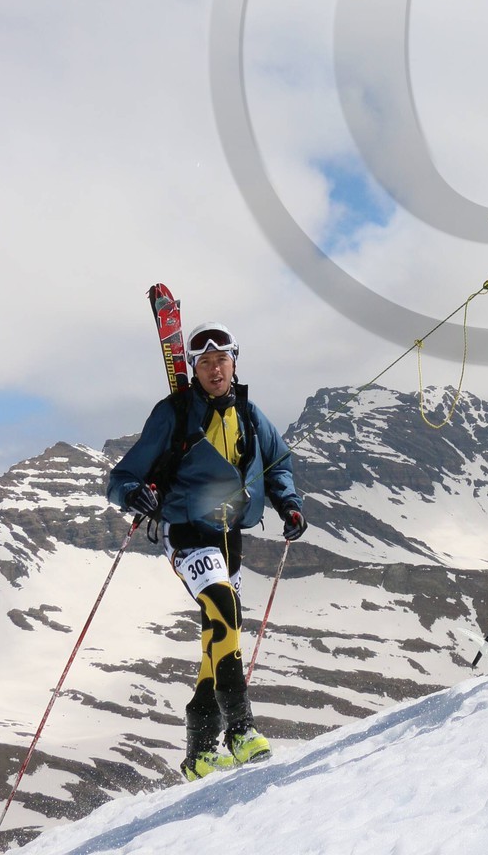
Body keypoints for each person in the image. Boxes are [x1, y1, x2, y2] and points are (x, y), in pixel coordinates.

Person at [107, 326, 307, 779]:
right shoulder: (174, 414)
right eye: (205, 363)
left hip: (230, 536)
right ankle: (241, 729)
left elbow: (278, 464)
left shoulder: (249, 414)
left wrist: (290, 506)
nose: (215, 370)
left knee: (219, 634)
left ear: (235, 362)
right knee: (222, 604)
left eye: (222, 361)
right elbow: (121, 478)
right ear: (193, 369)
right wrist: (133, 494)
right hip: (186, 531)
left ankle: (199, 753)